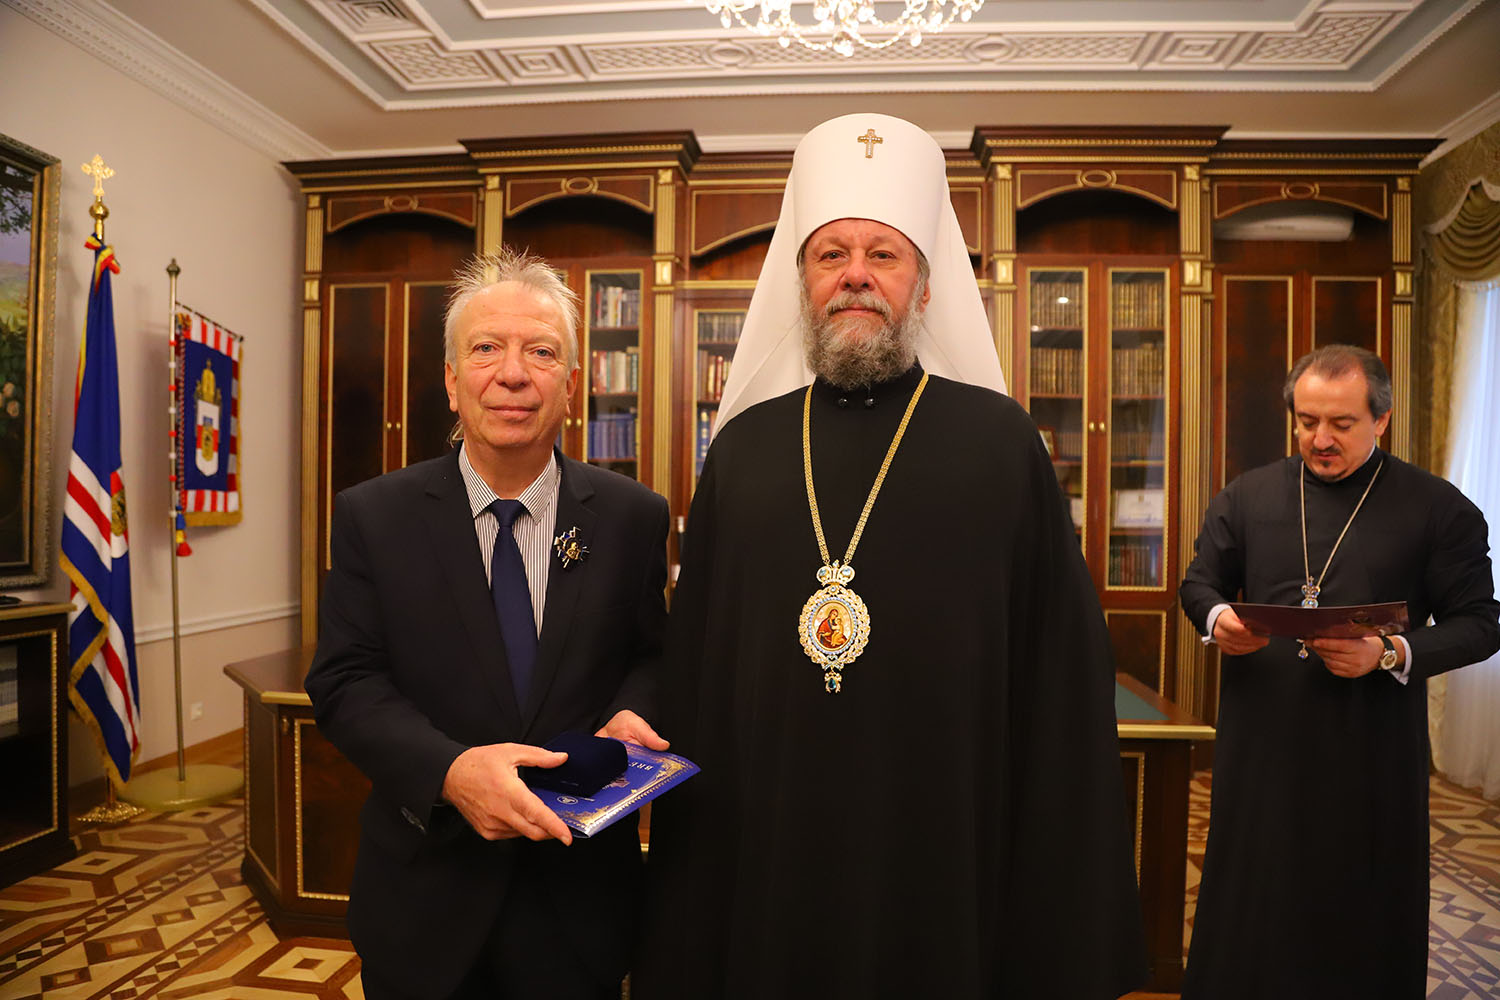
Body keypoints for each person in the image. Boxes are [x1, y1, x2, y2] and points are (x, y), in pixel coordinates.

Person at [634, 113, 1145, 999]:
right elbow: (701, 668)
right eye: (830, 255)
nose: (856, 275)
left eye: (884, 255)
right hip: (772, 828)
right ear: (802, 282)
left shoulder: (1001, 441)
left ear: (925, 287)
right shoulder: (745, 447)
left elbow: (1059, 672)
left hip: (946, 828)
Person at [304, 247, 670, 1000]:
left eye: (541, 352)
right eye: (485, 349)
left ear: (572, 384)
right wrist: (449, 771)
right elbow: (345, 681)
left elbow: (652, 655)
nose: (512, 374)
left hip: (579, 903)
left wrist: (635, 710)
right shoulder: (373, 516)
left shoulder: (633, 516)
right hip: (424, 899)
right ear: (450, 379)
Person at [1179, 344, 1500, 1000]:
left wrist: (1390, 652)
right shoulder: (1248, 495)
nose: (1319, 439)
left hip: (1370, 746)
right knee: (1256, 894)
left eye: (1341, 423)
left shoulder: (1438, 508)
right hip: (1263, 740)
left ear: (1381, 419)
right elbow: (1199, 582)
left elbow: (1482, 623)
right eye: (1306, 422)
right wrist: (1218, 619)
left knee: (1357, 900)